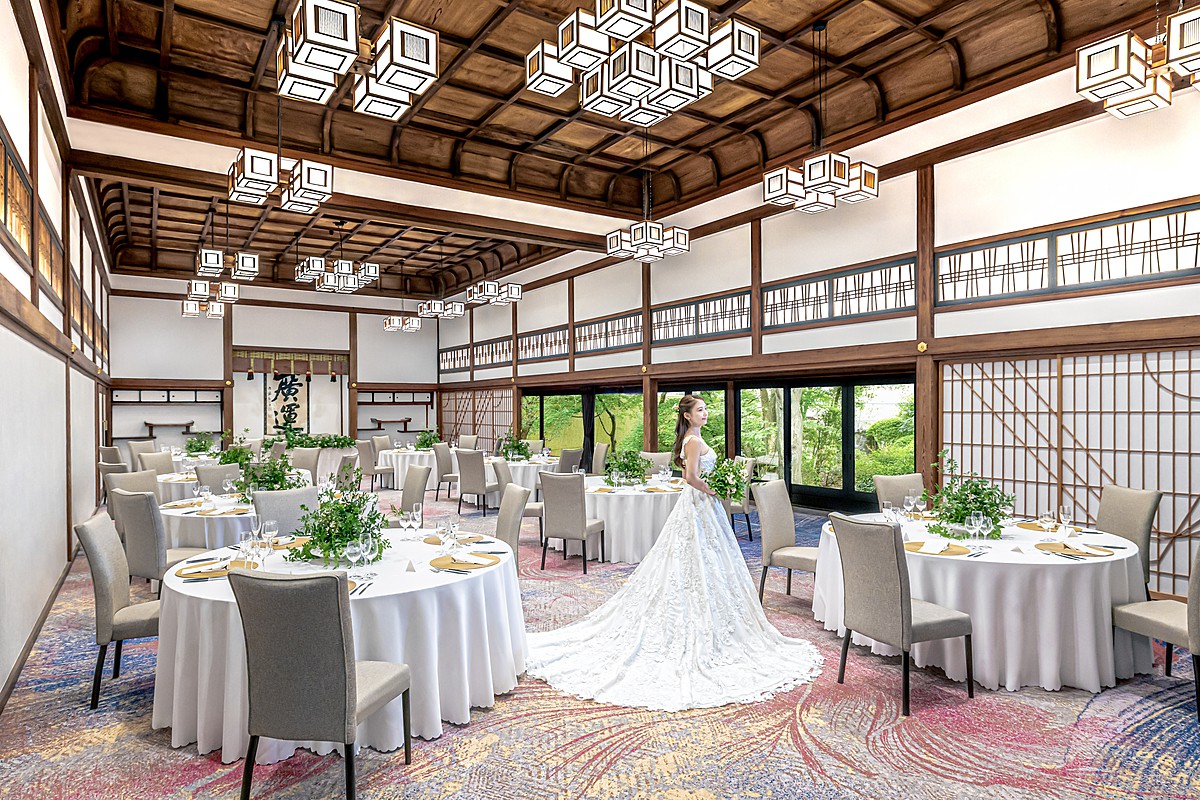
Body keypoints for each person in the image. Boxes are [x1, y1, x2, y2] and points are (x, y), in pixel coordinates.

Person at [525, 395, 822, 711]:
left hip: (703, 508)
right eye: (700, 410)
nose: (706, 413)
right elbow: (689, 478)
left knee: (707, 562)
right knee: (692, 559)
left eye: (706, 409)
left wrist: (715, 486)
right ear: (688, 415)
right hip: (698, 505)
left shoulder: (696, 438)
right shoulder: (692, 442)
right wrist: (713, 489)